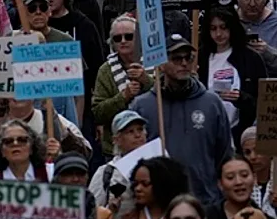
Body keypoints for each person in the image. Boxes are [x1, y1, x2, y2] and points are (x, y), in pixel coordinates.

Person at [131, 35, 231, 204]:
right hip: (158, 205)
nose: (184, 63)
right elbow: (132, 156)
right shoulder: (142, 106)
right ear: (161, 64)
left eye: (188, 58)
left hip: (204, 202)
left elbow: (225, 155)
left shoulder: (212, 104)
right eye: (176, 58)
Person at [198, 6, 265, 135]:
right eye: (213, 28)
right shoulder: (200, 58)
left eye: (223, 27)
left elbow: (263, 103)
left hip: (241, 134)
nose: (218, 34)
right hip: (206, 131)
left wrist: (242, 98)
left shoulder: (251, 58)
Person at [93, 16, 152, 156]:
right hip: (117, 151)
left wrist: (146, 80)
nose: (123, 41)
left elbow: (165, 97)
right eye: (117, 38)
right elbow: (98, 113)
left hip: (151, 143)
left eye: (129, 36)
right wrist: (123, 97)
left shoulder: (155, 63)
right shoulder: (105, 71)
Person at [88, 110, 151, 208]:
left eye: (140, 129)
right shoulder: (107, 172)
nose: (138, 135)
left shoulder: (159, 165)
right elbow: (93, 211)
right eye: (130, 131)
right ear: (116, 140)